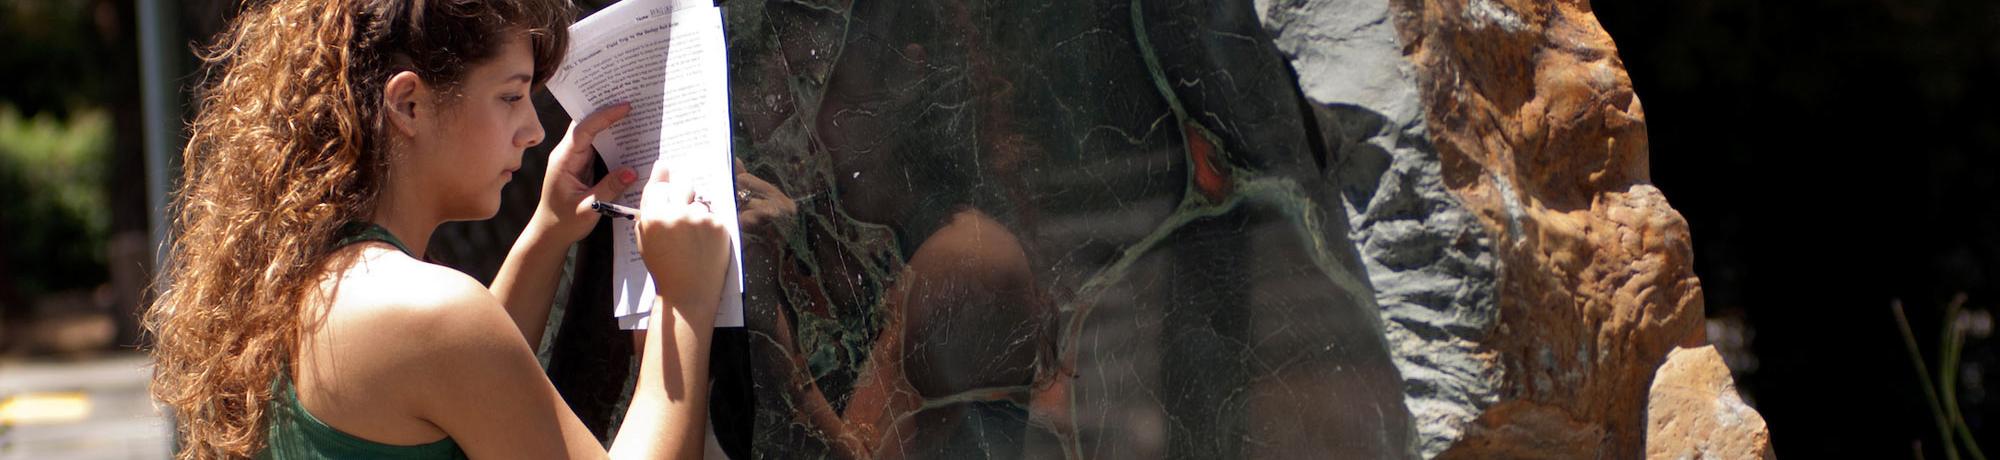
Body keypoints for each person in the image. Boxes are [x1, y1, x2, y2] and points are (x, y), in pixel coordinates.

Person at [142, 0, 733, 458]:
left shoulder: (317, 280)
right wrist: (683, 299)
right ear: (409, 105)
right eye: (510, 96)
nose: (533, 131)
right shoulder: (424, 312)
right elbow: (456, 345)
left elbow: (465, 380)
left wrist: (548, 232)